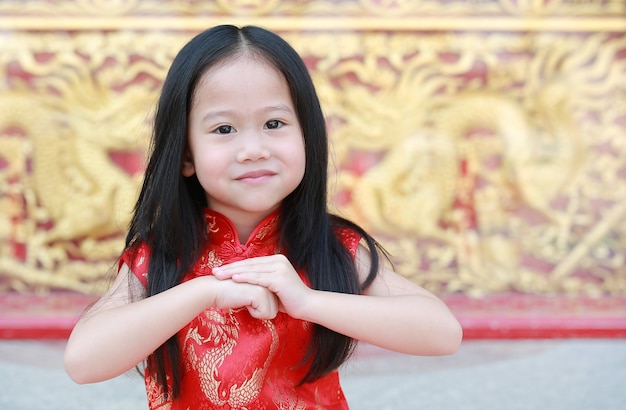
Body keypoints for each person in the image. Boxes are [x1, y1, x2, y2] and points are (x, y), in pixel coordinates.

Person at [64, 24, 462, 409]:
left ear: (307, 135)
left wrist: (306, 302)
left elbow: (442, 334)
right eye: (224, 129)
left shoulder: (332, 246)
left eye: (274, 124)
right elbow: (83, 363)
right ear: (186, 154)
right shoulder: (162, 255)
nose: (253, 148)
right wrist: (204, 292)